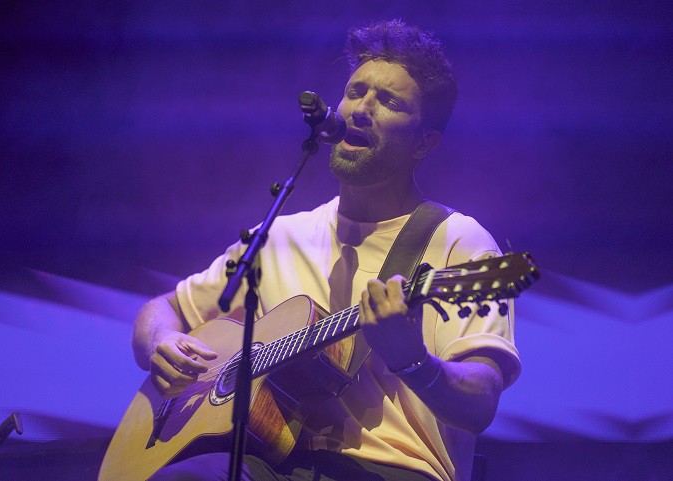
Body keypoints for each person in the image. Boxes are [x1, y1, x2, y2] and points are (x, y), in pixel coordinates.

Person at [133, 19, 521, 481]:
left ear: (424, 142)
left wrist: (413, 360)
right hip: (271, 462)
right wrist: (159, 342)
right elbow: (167, 307)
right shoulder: (279, 235)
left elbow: (481, 404)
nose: (362, 108)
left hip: (394, 469)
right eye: (356, 91)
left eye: (389, 101)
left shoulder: (459, 242)